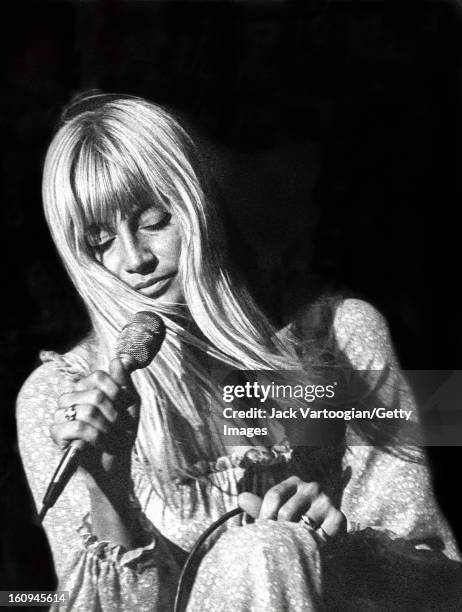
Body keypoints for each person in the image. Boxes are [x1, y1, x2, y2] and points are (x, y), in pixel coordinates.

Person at [16, 92, 460, 611]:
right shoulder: (58, 397)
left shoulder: (341, 336)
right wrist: (109, 488)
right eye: (99, 240)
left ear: (196, 200)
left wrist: (344, 548)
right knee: (261, 550)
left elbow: (443, 588)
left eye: (154, 220)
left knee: (265, 548)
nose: (133, 259)